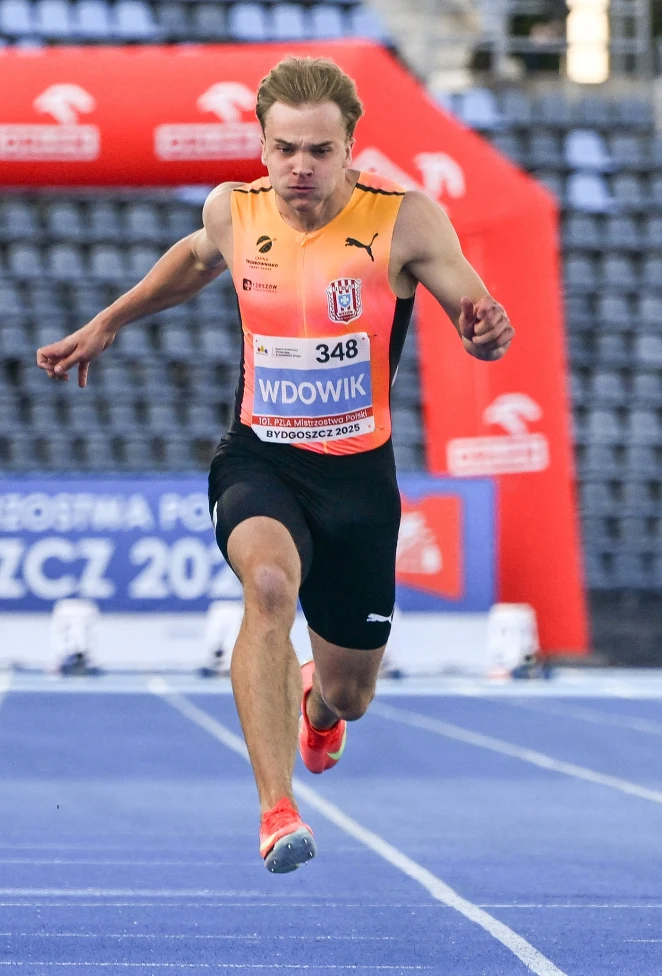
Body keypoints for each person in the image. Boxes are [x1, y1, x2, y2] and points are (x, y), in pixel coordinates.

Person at [37, 56, 512, 873]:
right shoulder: (234, 210)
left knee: (351, 693)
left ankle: (316, 704)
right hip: (261, 458)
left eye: (319, 151)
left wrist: (483, 329)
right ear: (261, 145)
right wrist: (110, 321)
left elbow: (470, 303)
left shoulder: (405, 221)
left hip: (360, 482)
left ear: (351, 148)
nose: (301, 166)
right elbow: (191, 261)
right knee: (266, 588)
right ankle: (276, 808)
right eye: (286, 148)